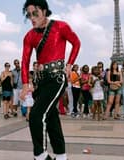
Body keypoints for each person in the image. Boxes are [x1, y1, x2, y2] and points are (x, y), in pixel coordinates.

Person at [20, 0, 80, 159]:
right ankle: (61, 156)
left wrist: (69, 64)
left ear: (44, 11)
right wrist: (26, 84)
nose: (32, 18)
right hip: (40, 82)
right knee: (52, 118)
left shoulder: (61, 27)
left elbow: (76, 43)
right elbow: (25, 61)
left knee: (36, 116)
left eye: (35, 14)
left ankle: (40, 155)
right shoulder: (29, 36)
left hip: (56, 79)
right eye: (29, 15)